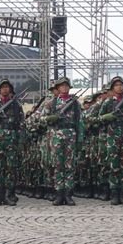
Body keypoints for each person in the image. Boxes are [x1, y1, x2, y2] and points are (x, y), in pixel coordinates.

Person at [39, 77, 81, 206]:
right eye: (62, 86)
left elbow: (80, 122)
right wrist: (50, 118)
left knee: (69, 166)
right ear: (57, 88)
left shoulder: (74, 103)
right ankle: (58, 193)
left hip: (70, 134)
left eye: (66, 86)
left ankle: (68, 194)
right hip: (56, 135)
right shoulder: (51, 103)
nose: (64, 88)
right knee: (57, 165)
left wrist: (79, 139)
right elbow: (41, 119)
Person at [98, 76, 123, 205]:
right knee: (113, 165)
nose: (119, 87)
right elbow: (98, 119)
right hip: (112, 135)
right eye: (116, 85)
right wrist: (107, 117)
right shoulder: (108, 102)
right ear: (112, 88)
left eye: (121, 85)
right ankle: (114, 193)